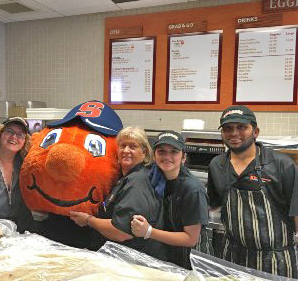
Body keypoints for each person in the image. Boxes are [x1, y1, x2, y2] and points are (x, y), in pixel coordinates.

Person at [207, 105, 298, 278]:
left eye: (241, 127)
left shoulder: (281, 165)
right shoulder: (217, 165)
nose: (234, 133)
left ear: (255, 131)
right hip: (232, 256)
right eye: (227, 128)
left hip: (275, 260)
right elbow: (215, 205)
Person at [69, 126, 162, 256]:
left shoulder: (137, 182)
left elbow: (121, 232)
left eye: (133, 146)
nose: (126, 150)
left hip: (125, 259)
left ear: (144, 152)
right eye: (122, 146)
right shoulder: (125, 177)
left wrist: (88, 220)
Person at [131, 130, 211, 269]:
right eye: (162, 151)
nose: (167, 156)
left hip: (189, 261)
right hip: (165, 256)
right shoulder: (155, 179)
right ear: (154, 155)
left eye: (174, 151)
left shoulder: (192, 189)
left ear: (183, 157)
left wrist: (149, 232)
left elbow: (191, 239)